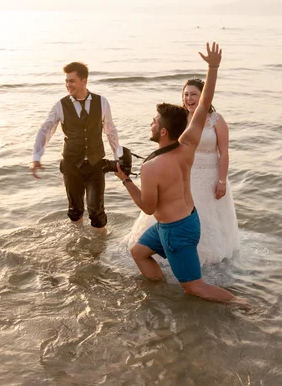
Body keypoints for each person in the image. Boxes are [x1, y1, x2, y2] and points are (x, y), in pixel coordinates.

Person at [115, 43, 249, 309]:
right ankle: (160, 293)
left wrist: (125, 180)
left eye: (154, 122)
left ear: (163, 132)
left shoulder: (151, 167)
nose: (151, 124)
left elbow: (148, 206)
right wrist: (213, 68)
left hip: (177, 231)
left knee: (194, 287)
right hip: (183, 221)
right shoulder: (187, 145)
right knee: (138, 252)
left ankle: (242, 303)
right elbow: (204, 105)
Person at [128, 78, 239, 267]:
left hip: (210, 174)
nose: (189, 98)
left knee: (207, 216)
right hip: (186, 173)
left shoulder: (216, 120)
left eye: (194, 94)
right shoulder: (179, 120)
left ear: (203, 96)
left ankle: (202, 257)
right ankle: (168, 250)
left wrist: (221, 181)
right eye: (186, 94)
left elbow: (224, 152)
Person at [30, 61, 121, 233]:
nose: (68, 85)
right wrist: (36, 157)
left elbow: (110, 130)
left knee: (96, 212)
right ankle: (78, 245)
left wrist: (119, 157)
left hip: (95, 165)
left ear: (84, 81)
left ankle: (99, 252)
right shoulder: (60, 105)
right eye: (66, 81)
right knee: (75, 210)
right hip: (72, 165)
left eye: (72, 81)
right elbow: (45, 130)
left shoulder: (102, 102)